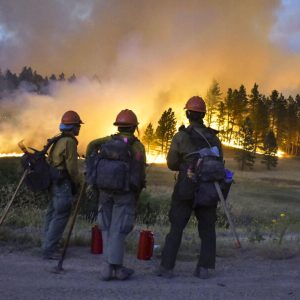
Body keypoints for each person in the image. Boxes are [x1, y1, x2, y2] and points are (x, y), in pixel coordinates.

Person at [157, 96, 223, 279]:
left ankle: (166, 268)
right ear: (203, 115)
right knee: (208, 229)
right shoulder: (214, 139)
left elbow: (171, 163)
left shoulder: (181, 137)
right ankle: (204, 269)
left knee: (176, 226)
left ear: (187, 114)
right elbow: (220, 163)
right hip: (209, 190)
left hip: (186, 187)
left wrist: (186, 167)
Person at [86, 109, 146, 281]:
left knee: (105, 227)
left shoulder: (106, 141)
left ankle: (110, 267)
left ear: (118, 126)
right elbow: (140, 172)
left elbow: (90, 146)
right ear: (134, 127)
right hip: (125, 193)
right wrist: (137, 191)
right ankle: (114, 268)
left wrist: (91, 169)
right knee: (119, 229)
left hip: (104, 191)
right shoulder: (136, 146)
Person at [42, 110, 83, 259]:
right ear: (72, 127)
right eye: (78, 125)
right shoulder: (70, 142)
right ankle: (50, 250)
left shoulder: (59, 139)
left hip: (53, 181)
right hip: (62, 183)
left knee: (52, 213)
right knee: (61, 214)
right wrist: (79, 182)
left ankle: (46, 244)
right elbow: (72, 168)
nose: (79, 128)